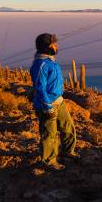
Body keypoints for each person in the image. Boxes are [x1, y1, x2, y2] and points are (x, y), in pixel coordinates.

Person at [30, 33, 77, 171]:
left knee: (68, 126)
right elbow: (39, 87)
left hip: (59, 101)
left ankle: (68, 151)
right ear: (46, 47)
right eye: (53, 44)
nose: (56, 46)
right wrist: (47, 106)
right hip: (47, 105)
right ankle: (49, 161)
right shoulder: (41, 64)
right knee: (49, 133)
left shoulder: (50, 61)